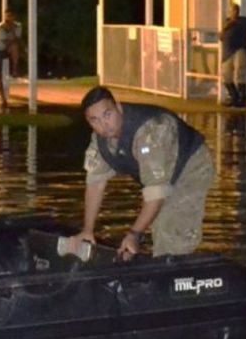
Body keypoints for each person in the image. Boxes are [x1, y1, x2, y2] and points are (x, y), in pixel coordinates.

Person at [60, 86, 214, 262]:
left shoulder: (149, 131)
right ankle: (158, 265)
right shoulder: (99, 140)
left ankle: (175, 274)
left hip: (191, 168)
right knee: (159, 224)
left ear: (118, 108)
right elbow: (95, 183)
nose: (103, 125)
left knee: (171, 228)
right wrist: (87, 230)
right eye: (95, 120)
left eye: (107, 115)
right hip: (162, 174)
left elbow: (156, 192)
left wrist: (134, 234)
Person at [220, 3, 246, 108]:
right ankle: (233, 96)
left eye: (237, 10)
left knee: (240, 72)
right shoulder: (226, 22)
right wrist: (229, 24)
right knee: (226, 75)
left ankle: (241, 99)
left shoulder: (244, 20)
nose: (235, 13)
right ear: (229, 12)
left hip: (240, 49)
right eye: (233, 10)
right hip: (227, 51)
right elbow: (221, 35)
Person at [0, 9, 23, 112]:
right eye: (6, 16)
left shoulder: (18, 26)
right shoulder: (1, 26)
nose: (8, 19)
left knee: (15, 47)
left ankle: (15, 70)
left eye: (10, 16)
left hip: (7, 49)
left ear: (14, 17)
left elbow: (17, 39)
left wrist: (12, 30)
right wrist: (11, 35)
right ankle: (3, 99)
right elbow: (4, 40)